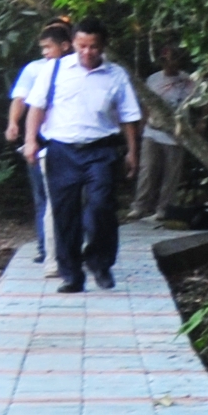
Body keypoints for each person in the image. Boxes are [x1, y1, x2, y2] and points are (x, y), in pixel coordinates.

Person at [22, 19, 147, 292]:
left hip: (100, 149)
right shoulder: (55, 70)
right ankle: (71, 274)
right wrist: (30, 140)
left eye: (93, 47)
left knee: (101, 206)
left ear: (103, 46)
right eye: (82, 46)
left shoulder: (116, 75)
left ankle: (100, 263)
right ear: (73, 44)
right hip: (61, 150)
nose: (87, 52)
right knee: (65, 213)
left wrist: (132, 152)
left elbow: (128, 116)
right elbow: (36, 108)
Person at [4, 18, 75, 272]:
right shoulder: (35, 69)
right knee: (43, 197)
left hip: (70, 140)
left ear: (66, 42)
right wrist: (14, 123)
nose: (45, 51)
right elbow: (21, 98)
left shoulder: (80, 69)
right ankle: (47, 250)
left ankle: (70, 249)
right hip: (41, 139)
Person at [134, 47, 203, 226]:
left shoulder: (188, 80)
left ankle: (165, 208)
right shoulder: (153, 79)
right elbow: (146, 104)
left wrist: (201, 123)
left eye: (175, 60)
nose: (171, 64)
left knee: (171, 173)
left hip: (176, 133)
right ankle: (140, 205)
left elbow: (203, 103)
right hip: (153, 129)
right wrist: (142, 125)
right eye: (167, 60)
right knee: (147, 168)